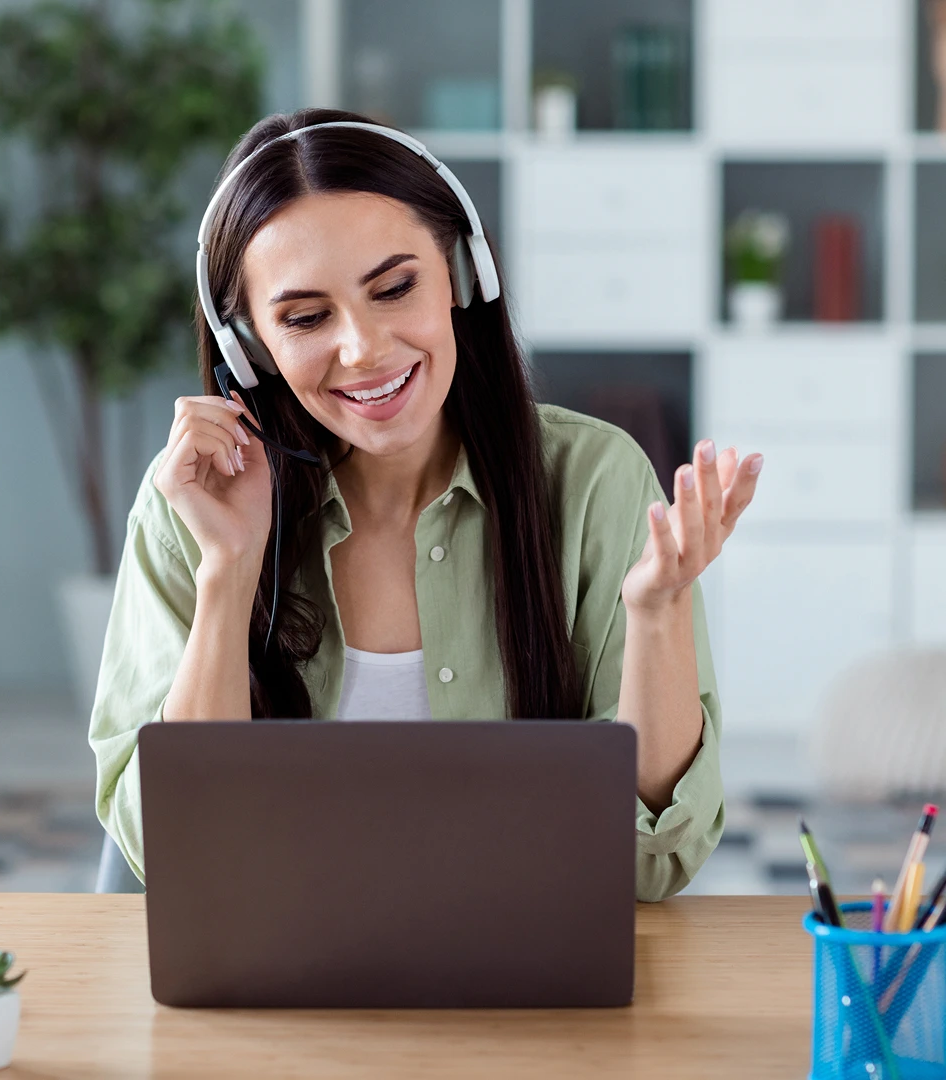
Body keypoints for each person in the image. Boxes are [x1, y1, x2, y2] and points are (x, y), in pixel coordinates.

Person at [89, 108, 763, 902]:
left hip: (515, 989)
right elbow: (180, 853)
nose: (363, 348)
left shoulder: (594, 480)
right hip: (276, 993)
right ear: (249, 347)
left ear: (463, 274)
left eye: (395, 288)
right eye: (306, 318)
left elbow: (653, 866)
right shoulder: (193, 504)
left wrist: (656, 613)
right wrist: (229, 569)